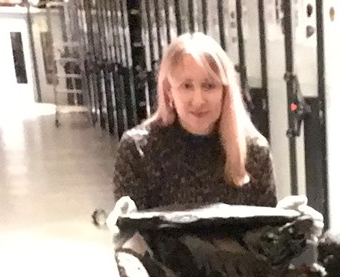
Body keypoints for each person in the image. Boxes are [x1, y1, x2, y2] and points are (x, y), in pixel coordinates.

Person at [112, 32, 276, 211]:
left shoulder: (254, 152)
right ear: (169, 91)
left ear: (225, 92)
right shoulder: (138, 151)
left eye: (209, 86)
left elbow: (268, 233)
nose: (198, 101)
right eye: (186, 86)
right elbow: (132, 233)